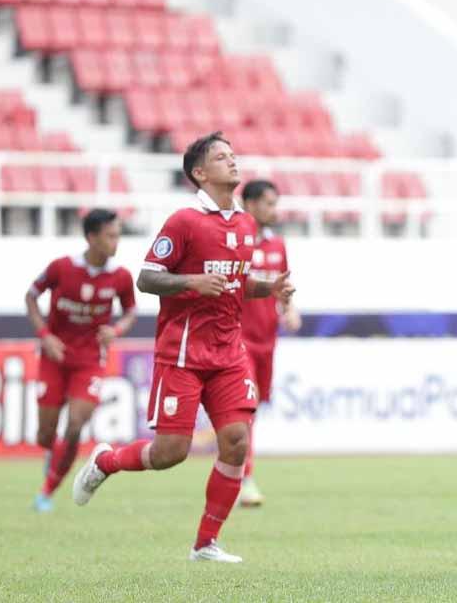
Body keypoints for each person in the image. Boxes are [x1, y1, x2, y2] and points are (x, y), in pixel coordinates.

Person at [71, 131, 294, 564]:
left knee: (235, 440)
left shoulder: (246, 225)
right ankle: (106, 462)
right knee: (171, 453)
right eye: (221, 157)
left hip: (230, 352)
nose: (233, 162)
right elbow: (148, 277)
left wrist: (269, 287)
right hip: (183, 353)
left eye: (233, 155)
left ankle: (205, 543)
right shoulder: (184, 222)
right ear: (199, 172)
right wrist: (191, 281)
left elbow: (233, 282)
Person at [26, 208, 136, 513]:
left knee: (76, 424)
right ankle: (56, 453)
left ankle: (47, 490)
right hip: (55, 357)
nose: (116, 242)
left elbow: (130, 311)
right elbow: (31, 296)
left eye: (118, 235)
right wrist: (45, 335)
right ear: (91, 237)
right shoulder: (62, 268)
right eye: (110, 236)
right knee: (44, 435)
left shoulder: (120, 276)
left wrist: (116, 329)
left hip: (90, 361)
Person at [238, 179, 301, 508]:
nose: (274, 210)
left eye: (276, 203)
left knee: (254, 408)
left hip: (267, 338)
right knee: (245, 407)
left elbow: (283, 286)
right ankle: (244, 477)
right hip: (238, 339)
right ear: (249, 204)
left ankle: (234, 469)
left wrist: (289, 309)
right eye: (268, 203)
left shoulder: (277, 244)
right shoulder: (237, 242)